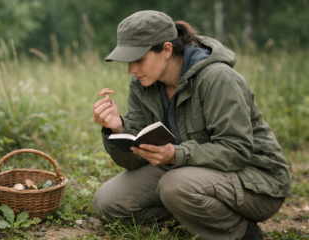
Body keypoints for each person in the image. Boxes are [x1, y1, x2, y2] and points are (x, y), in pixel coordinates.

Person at [91, 10, 291, 240]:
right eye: (128, 61)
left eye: (139, 60)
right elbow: (134, 160)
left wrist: (174, 154)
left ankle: (244, 234)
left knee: (174, 186)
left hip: (256, 181)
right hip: (188, 173)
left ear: (166, 50)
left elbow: (237, 151)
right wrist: (117, 128)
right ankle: (194, 213)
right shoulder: (142, 84)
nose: (131, 70)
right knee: (107, 203)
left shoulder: (217, 78)